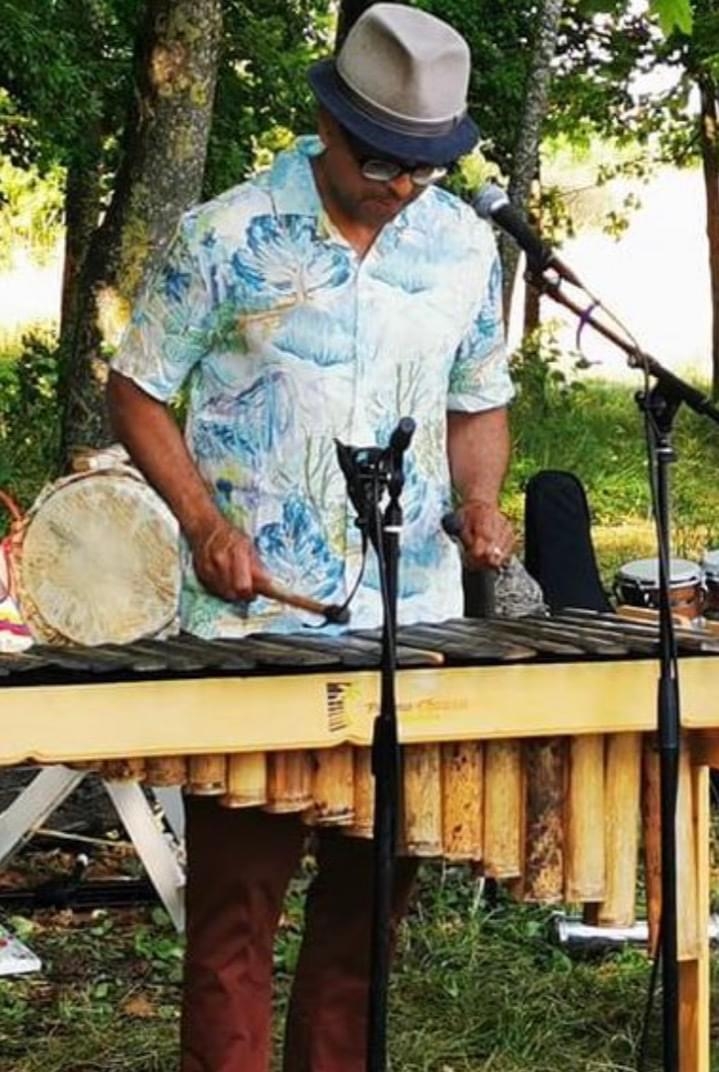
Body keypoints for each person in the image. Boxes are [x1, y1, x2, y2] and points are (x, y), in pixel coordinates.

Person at [107, 5, 515, 1069]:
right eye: (380, 159)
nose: (400, 184)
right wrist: (203, 522)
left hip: (411, 627)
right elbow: (138, 389)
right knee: (233, 920)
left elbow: (478, 398)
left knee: (365, 923)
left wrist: (478, 499)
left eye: (423, 165)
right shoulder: (224, 235)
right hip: (254, 630)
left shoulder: (464, 244)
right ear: (328, 123)